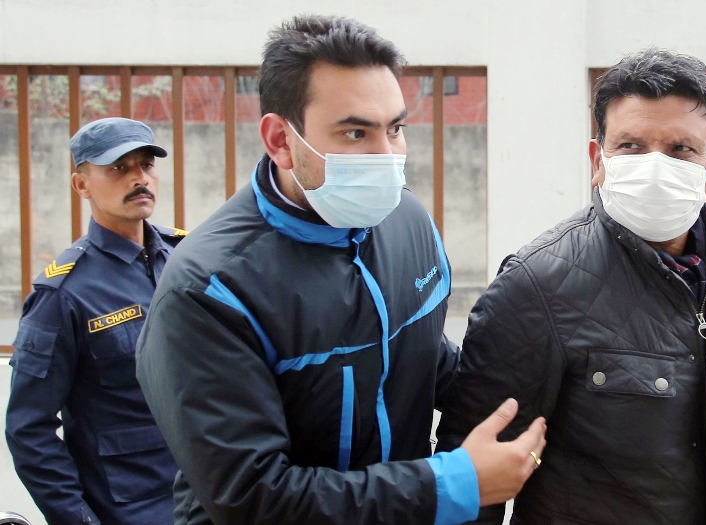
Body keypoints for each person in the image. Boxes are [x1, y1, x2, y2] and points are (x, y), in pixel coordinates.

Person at [134, 15, 545, 525]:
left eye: (395, 129)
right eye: (355, 133)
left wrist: (543, 390)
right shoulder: (211, 290)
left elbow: (420, 355)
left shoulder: (408, 221)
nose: (386, 157)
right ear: (280, 140)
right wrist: (449, 485)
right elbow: (251, 496)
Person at [436, 48, 706, 525]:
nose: (655, 168)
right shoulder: (536, 285)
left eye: (681, 149)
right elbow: (472, 478)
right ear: (598, 159)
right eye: (631, 146)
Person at [6, 117, 183, 525]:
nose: (139, 178)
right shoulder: (64, 294)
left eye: (146, 165)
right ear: (81, 185)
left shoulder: (185, 260)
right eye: (118, 167)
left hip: (210, 496)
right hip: (132, 508)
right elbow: (29, 430)